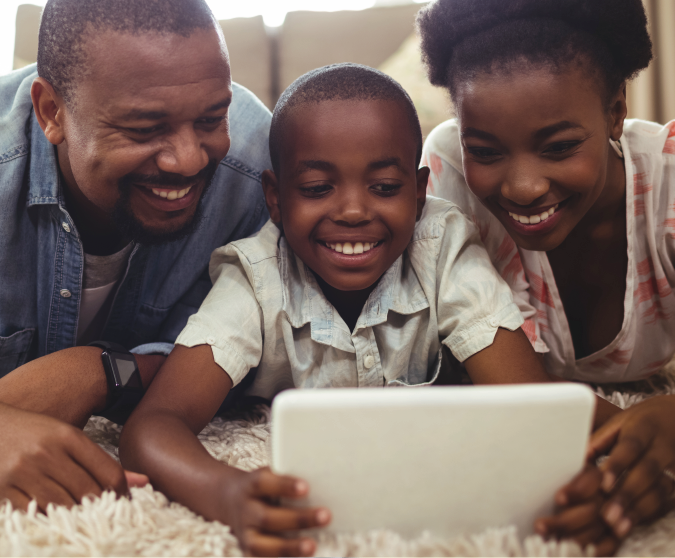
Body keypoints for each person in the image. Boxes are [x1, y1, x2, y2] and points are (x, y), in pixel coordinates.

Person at [118, 63, 620, 557]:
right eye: (317, 188)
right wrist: (226, 491)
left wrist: (583, 472)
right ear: (275, 198)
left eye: (384, 187)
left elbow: (528, 403)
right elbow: (154, 425)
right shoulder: (256, 276)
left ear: (421, 194)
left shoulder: (442, 247)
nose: (354, 211)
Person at [417, 0, 675, 549]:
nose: (525, 187)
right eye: (487, 151)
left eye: (560, 147)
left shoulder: (668, 182)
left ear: (615, 113)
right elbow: (477, 374)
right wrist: (610, 443)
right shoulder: (446, 171)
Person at [0, 0, 271, 512]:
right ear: (52, 111)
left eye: (209, 119)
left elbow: (283, 344)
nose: (190, 159)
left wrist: (102, 372)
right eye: (145, 129)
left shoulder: (257, 168)